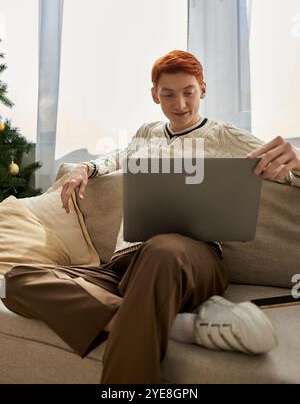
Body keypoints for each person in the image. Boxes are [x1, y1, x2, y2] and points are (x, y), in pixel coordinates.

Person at [2, 50, 300, 384]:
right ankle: (170, 323)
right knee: (18, 280)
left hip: (190, 261)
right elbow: (117, 157)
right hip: (126, 265)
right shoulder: (147, 133)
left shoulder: (224, 135)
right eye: (169, 94)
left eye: (188, 92)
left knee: (163, 248)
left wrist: (297, 159)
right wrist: (85, 168)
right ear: (154, 94)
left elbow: (286, 171)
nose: (181, 104)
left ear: (202, 89)